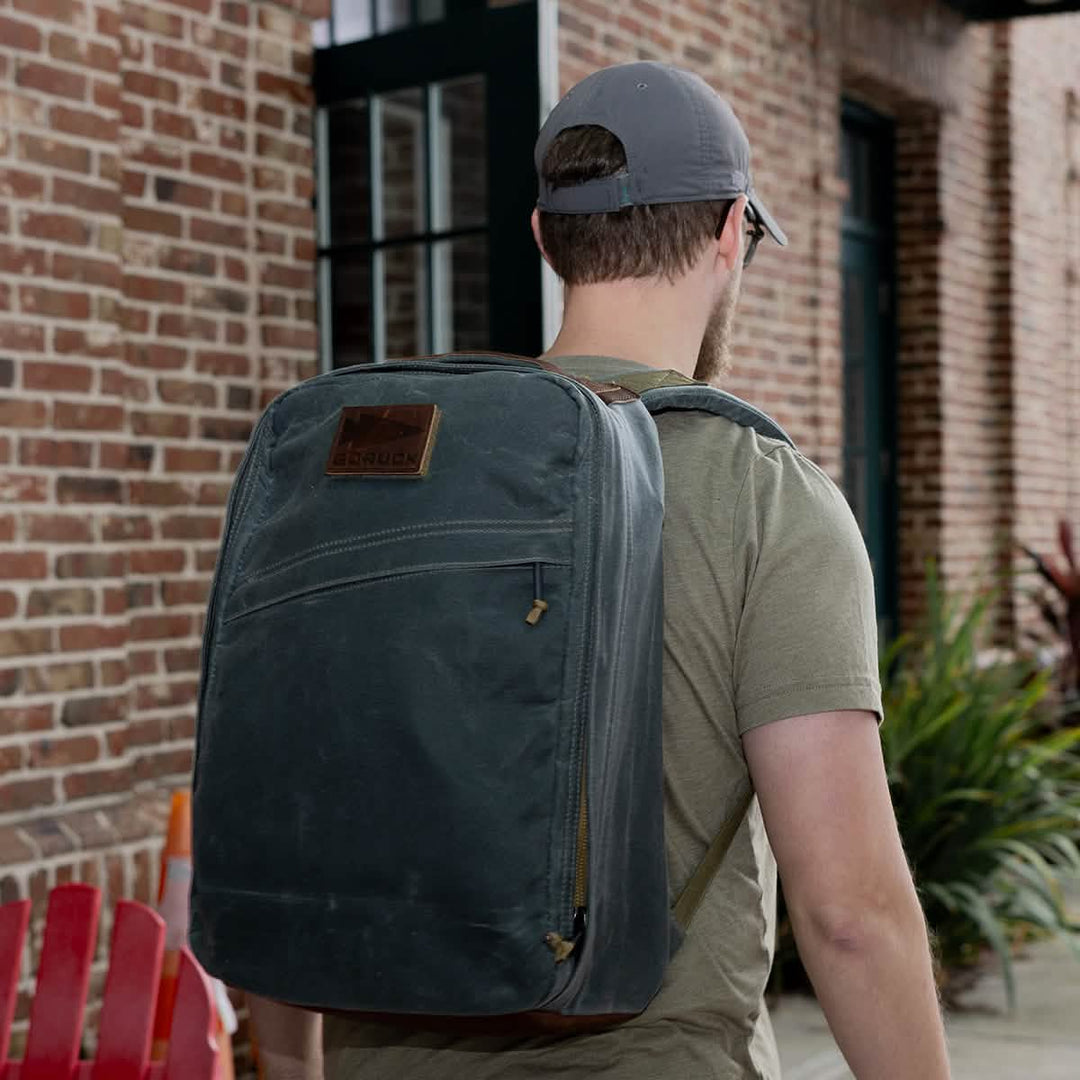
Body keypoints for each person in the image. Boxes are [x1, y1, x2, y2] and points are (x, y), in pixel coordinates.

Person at [252, 61, 952, 1080]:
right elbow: (849, 915)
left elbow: (292, 822)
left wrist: (296, 1067)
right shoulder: (767, 498)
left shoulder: (374, 471)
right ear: (729, 233)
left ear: (546, 238)